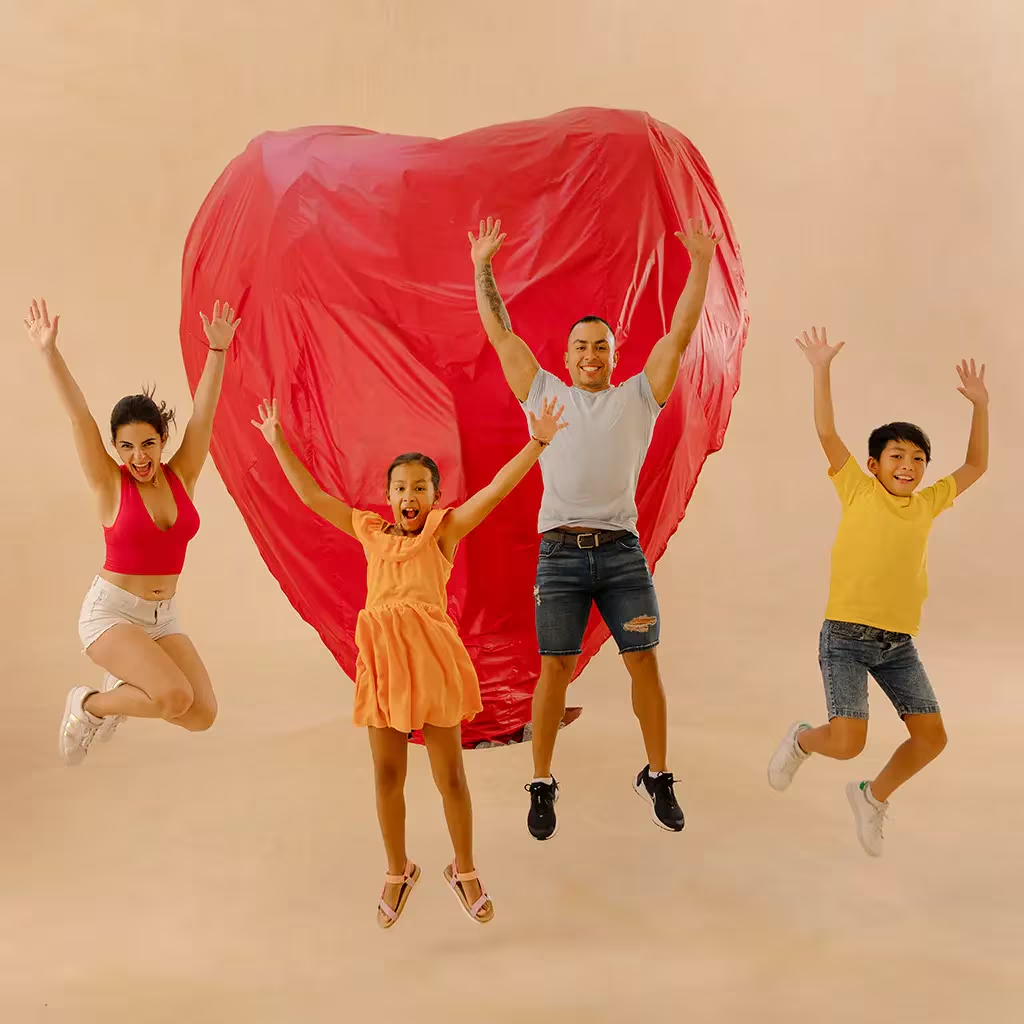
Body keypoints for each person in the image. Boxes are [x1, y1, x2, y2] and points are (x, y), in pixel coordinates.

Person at [251, 393, 567, 927]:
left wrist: (536, 443)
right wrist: (277, 440)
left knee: (451, 776)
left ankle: (464, 869)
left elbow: (494, 492)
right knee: (386, 774)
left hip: (431, 663)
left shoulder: (443, 532)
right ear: (389, 497)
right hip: (384, 664)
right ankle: (398, 870)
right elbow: (311, 496)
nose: (410, 495)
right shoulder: (369, 530)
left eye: (420, 487)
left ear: (435, 496)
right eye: (401, 488)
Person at [468, 215, 719, 840]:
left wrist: (701, 263)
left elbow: (681, 334)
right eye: (581, 346)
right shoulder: (544, 393)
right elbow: (501, 335)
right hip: (560, 555)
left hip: (622, 556)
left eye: (600, 347)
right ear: (566, 356)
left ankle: (658, 775)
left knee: (645, 662)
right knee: (554, 667)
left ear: (613, 356)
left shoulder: (638, 397)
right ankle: (542, 782)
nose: (590, 355)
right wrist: (482, 267)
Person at [767, 327, 989, 857]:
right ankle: (801, 739)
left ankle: (872, 797)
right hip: (845, 636)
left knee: (932, 738)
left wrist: (981, 406)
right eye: (896, 456)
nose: (908, 466)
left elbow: (976, 465)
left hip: (898, 644)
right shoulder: (858, 489)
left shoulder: (929, 502)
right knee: (847, 743)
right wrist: (821, 369)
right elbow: (826, 431)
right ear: (874, 464)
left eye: (917, 459)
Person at [24, 297, 240, 766]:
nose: (138, 457)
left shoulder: (182, 475)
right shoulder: (110, 483)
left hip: (162, 618)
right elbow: (80, 417)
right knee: (172, 697)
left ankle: (122, 688)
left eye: (147, 444)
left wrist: (217, 352)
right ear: (116, 448)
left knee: (201, 714)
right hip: (111, 614)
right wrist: (49, 352)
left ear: (163, 440)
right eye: (126, 447)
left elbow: (203, 416)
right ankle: (90, 705)